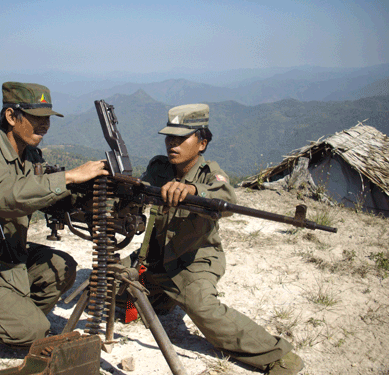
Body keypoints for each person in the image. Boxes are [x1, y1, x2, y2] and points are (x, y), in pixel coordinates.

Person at [124, 104, 303, 374]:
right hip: (155, 259)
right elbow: (138, 191)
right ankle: (161, 298)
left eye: (181, 138)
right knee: (106, 286)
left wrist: (193, 190)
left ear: (202, 143)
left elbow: (227, 197)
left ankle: (277, 355)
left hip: (193, 262)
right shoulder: (159, 168)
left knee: (201, 305)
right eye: (169, 137)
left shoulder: (211, 175)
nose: (172, 143)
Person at [0, 82, 108, 348]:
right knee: (36, 332)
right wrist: (68, 177)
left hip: (11, 257)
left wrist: (93, 191)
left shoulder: (30, 156)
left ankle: (10, 312)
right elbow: (4, 199)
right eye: (36, 118)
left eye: (47, 119)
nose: (44, 126)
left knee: (61, 268)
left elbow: (44, 195)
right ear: (11, 116)